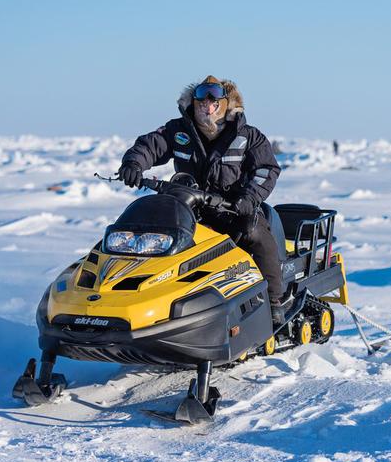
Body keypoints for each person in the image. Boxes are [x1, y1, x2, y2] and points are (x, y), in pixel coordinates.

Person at [117, 76, 287, 325]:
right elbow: (150, 145)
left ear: (225, 104)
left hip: (232, 210)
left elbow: (266, 170)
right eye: (201, 101)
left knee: (255, 233)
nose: (207, 106)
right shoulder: (178, 131)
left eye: (214, 101)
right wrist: (133, 163)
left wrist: (249, 198)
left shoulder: (247, 136)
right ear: (193, 103)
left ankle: (273, 302)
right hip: (188, 208)